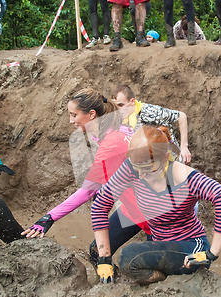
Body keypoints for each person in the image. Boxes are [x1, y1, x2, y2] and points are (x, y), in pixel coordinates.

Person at [91, 125, 221, 285]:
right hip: (159, 242)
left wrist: (211, 254)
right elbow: (100, 205)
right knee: (96, 251)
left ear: (166, 157)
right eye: (137, 167)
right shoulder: (131, 168)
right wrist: (104, 258)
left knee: (129, 257)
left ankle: (166, 281)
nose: (140, 174)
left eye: (147, 168)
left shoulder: (184, 177)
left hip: (191, 248)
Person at [21, 88, 151, 264]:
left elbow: (88, 191)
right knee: (97, 251)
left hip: (156, 214)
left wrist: (50, 217)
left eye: (74, 115)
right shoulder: (114, 130)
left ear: (91, 114)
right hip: (134, 208)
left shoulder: (111, 142)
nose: (70, 120)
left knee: (152, 268)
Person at [112, 84, 192, 164]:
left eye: (121, 105)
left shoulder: (149, 111)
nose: (118, 110)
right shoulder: (124, 120)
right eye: (115, 106)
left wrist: (184, 147)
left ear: (132, 101)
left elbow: (181, 116)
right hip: (151, 163)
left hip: (171, 158)